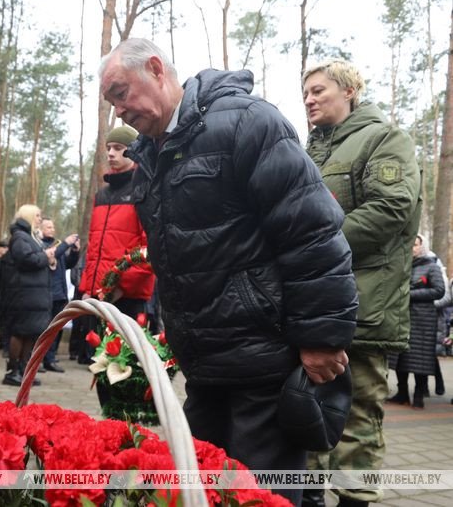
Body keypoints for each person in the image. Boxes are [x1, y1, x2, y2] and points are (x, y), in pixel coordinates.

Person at [99, 38, 358, 506]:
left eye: (121, 93)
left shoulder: (247, 123)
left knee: (261, 496)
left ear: (156, 69)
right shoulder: (150, 158)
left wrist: (321, 336)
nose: (118, 111)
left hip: (264, 363)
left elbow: (312, 232)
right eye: (110, 101)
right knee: (205, 489)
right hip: (206, 367)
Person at [303, 59, 421, 507]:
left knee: (356, 422)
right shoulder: (307, 151)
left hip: (363, 308)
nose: (310, 99)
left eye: (319, 90)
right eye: (306, 93)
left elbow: (390, 208)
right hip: (310, 305)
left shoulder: (384, 139)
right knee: (308, 415)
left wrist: (312, 245)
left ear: (349, 90)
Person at [78, 125, 156, 322]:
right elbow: (93, 247)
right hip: (96, 298)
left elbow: (151, 249)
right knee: (92, 353)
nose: (111, 153)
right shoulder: (101, 195)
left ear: (134, 151)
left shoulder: (144, 189)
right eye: (109, 148)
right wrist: (87, 289)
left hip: (128, 299)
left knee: (125, 353)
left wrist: (121, 287)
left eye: (119, 148)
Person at [0, 205, 57, 386]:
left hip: (32, 295)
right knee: (19, 333)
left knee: (30, 334)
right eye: (37, 215)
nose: (39, 218)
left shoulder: (29, 237)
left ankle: (23, 369)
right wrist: (45, 257)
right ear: (28, 217)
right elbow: (26, 260)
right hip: (22, 296)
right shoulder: (20, 238)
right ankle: (13, 371)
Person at [387, 235, 445, 409]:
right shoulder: (403, 266)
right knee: (401, 357)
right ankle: (402, 393)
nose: (412, 247)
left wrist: (410, 295)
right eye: (410, 244)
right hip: (403, 318)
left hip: (423, 320)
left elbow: (439, 291)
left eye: (416, 245)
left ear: (423, 247)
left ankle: (419, 395)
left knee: (421, 359)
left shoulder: (432, 266)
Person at [39, 217, 80, 373]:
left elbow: (67, 263)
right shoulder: (41, 244)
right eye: (48, 227)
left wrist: (75, 252)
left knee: (55, 330)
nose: (52, 229)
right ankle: (38, 360)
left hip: (60, 293)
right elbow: (53, 255)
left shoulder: (57, 245)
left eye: (53, 226)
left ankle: (50, 359)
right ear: (41, 229)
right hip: (46, 293)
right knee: (43, 329)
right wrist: (66, 242)